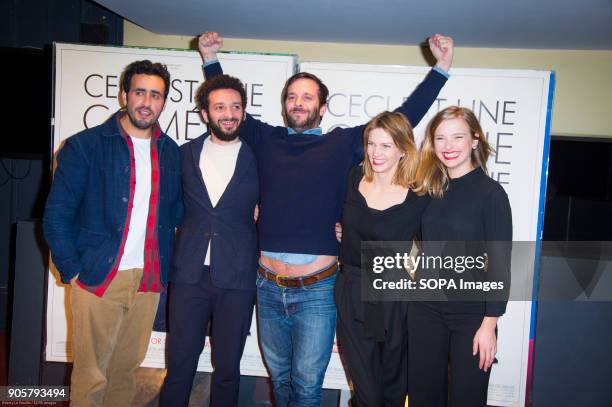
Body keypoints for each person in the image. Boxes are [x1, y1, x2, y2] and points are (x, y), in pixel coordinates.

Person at [198, 31, 453, 406]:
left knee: (305, 386)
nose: (298, 103)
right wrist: (209, 59)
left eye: (307, 97)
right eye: (291, 97)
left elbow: (402, 119)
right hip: (267, 288)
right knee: (280, 380)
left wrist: (441, 69)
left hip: (317, 291)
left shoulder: (341, 144)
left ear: (323, 106)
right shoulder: (266, 138)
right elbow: (227, 107)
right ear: (284, 104)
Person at [43, 60, 182, 406]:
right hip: (98, 276)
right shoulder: (84, 146)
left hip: (148, 280)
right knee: (91, 378)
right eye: (139, 92)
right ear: (124, 95)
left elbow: (179, 212)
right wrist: (73, 270)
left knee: (125, 375)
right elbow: (56, 215)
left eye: (155, 95)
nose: (146, 102)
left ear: (164, 102)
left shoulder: (171, 153)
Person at [158, 75, 259, 406]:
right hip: (189, 276)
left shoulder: (259, 157)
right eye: (219, 107)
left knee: (228, 369)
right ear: (204, 113)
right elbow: (169, 207)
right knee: (179, 366)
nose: (228, 113)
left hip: (238, 276)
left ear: (244, 113)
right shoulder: (183, 154)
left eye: (235, 107)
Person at [408, 106, 512, 406]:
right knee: (423, 397)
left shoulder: (491, 194)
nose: (448, 146)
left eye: (457, 137)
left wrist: (489, 325)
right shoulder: (429, 190)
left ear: (475, 140)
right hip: (425, 309)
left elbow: (500, 263)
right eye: (440, 138)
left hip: (472, 315)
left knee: (467, 399)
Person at [335, 111, 429, 406]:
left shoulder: (419, 195)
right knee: (367, 391)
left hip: (394, 295)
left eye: (386, 145)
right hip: (353, 289)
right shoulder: (353, 178)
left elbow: (432, 247)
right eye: (371, 144)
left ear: (403, 149)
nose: (376, 153)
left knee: (392, 387)